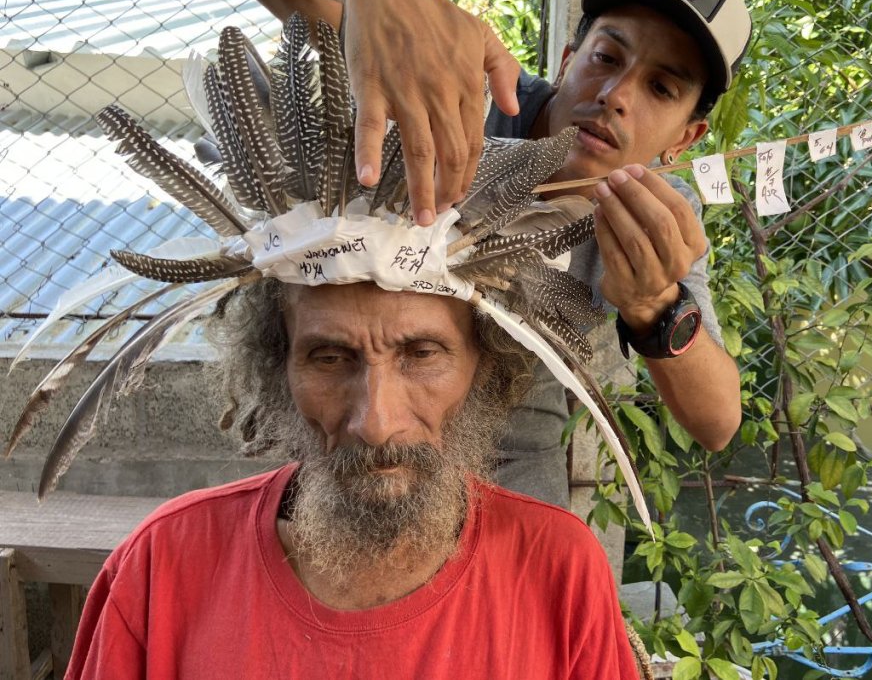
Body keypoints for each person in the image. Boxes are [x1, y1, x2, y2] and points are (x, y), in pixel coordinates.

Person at [195, 0, 747, 506]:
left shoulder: (657, 218)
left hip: (507, 471)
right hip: (350, 445)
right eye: (606, 56)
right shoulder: (457, 97)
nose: (617, 93)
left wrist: (656, 307)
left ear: (686, 139)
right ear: (568, 60)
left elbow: (718, 422)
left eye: (662, 88)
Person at [65, 279, 641, 679]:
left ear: (484, 366)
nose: (375, 423)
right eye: (330, 358)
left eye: (421, 353)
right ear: (277, 369)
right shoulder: (164, 561)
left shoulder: (557, 565)